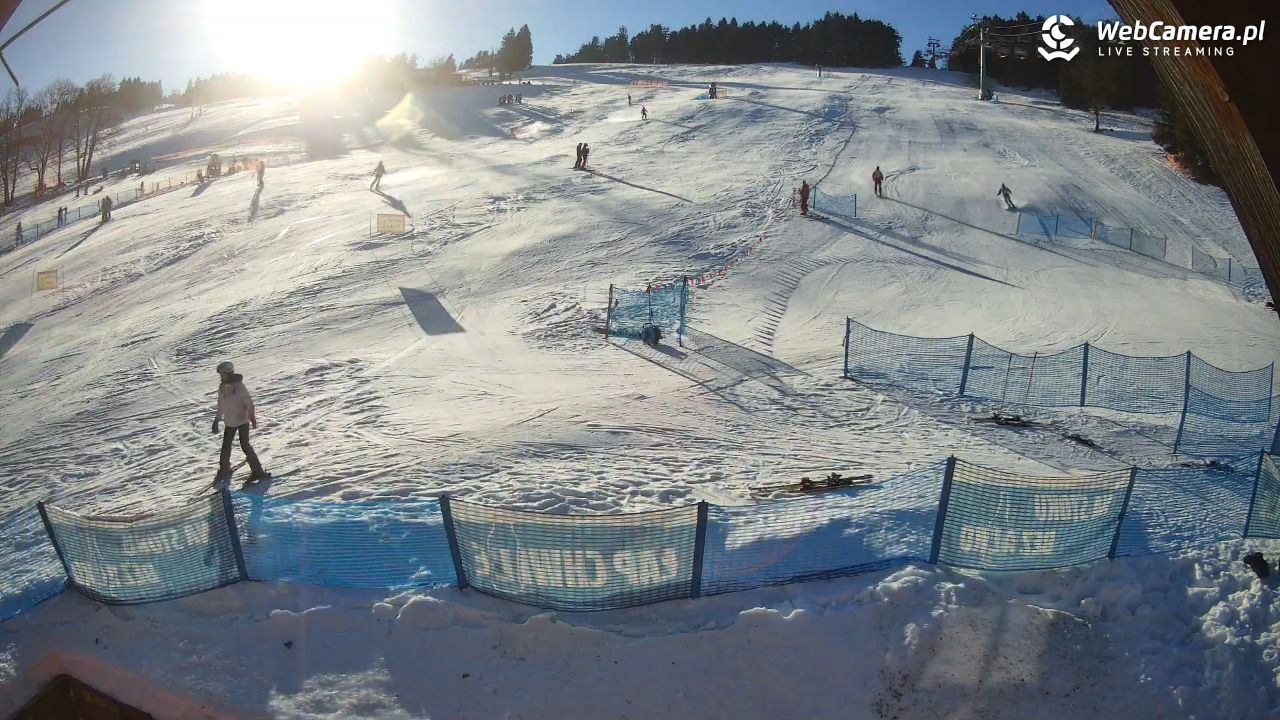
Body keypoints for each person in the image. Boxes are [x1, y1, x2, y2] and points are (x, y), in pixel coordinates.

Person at [212, 360, 270, 483]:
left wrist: (252, 417)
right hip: (230, 422)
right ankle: (224, 469)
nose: (221, 376)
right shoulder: (222, 387)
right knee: (226, 445)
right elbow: (221, 405)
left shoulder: (238, 386)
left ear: (229, 373)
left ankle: (257, 471)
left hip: (242, 420)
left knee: (245, 445)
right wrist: (216, 420)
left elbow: (248, 402)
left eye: (222, 374)